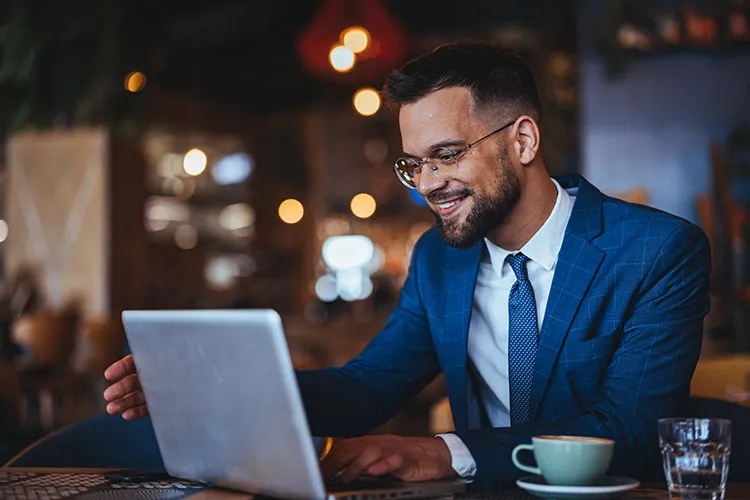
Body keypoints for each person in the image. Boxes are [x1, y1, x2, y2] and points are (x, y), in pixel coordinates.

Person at [103, 42, 711, 490]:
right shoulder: (438, 261)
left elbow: (633, 432)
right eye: (413, 164)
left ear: (523, 141)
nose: (427, 185)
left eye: (445, 156)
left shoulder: (656, 252)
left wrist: (443, 453)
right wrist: (210, 388)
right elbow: (367, 389)